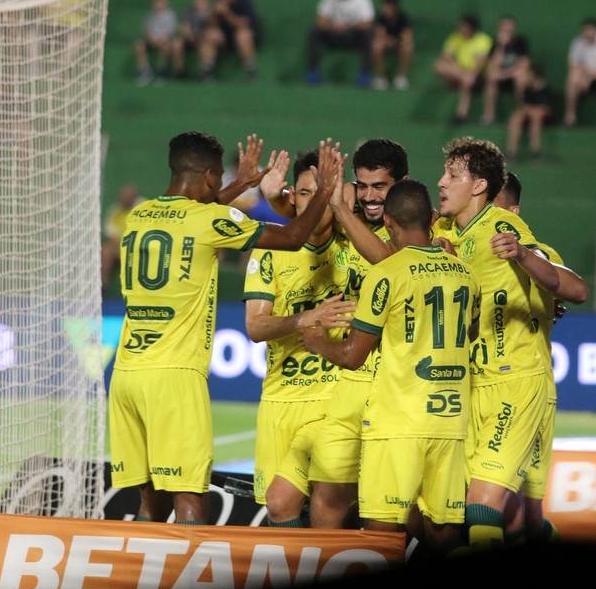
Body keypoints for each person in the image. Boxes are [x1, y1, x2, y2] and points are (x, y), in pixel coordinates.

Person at [107, 131, 340, 525]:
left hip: (127, 374)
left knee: (151, 502)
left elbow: (191, 217)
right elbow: (294, 236)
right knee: (190, 500)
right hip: (174, 378)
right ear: (212, 175)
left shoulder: (137, 216)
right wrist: (325, 191)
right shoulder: (209, 219)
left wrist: (240, 186)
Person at [300, 179, 482, 556]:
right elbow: (473, 331)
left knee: (381, 532)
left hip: (399, 423)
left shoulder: (387, 272)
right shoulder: (465, 272)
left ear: (387, 220)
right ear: (430, 219)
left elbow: (353, 356)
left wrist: (319, 342)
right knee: (443, 531)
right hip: (449, 422)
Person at [260, 138, 410, 530]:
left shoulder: (409, 227)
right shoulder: (344, 223)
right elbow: (312, 215)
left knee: (391, 518)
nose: (370, 195)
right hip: (335, 392)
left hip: (380, 393)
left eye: (381, 186)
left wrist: (336, 201)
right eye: (363, 186)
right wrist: (278, 199)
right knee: (285, 503)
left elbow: (392, 263)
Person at [431, 136, 563, 550]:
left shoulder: (504, 227)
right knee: (509, 517)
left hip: (517, 383)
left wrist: (525, 257)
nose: (440, 182)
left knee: (483, 507)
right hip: (470, 389)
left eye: (452, 175)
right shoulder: (446, 231)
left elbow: (572, 286)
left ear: (478, 186)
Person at [243, 149, 355, 528]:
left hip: (333, 400)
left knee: (316, 504)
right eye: (306, 193)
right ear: (294, 197)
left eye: (325, 191)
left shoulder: (357, 246)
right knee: (280, 510)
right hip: (280, 398)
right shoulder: (271, 251)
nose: (317, 201)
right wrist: (306, 318)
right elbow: (256, 328)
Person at [493, 172, 588, 545]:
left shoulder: (538, 253)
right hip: (473, 386)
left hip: (524, 388)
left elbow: (571, 286)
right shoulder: (458, 239)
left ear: (514, 212)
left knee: (524, 515)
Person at [306, 0, 375, 88]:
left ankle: (364, 74)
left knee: (367, 35)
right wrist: (334, 27)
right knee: (315, 33)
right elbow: (320, 20)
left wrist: (348, 28)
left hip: (353, 36)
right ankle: (313, 72)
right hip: (334, 34)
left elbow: (367, 23)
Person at [198, 0, 261, 82]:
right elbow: (211, 24)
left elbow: (243, 24)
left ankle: (251, 72)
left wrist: (227, 13)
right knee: (209, 34)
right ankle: (206, 72)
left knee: (243, 35)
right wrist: (213, 14)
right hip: (225, 38)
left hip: (242, 38)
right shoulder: (219, 1)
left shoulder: (245, 2)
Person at [433, 14, 493, 125]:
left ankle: (461, 113)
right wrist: (457, 68)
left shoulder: (483, 39)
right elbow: (445, 55)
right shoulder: (455, 37)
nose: (460, 28)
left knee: (466, 81)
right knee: (439, 65)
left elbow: (480, 62)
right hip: (459, 72)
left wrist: (471, 74)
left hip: (478, 75)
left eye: (463, 26)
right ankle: (457, 81)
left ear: (472, 28)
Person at [480, 15, 531, 126]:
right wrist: (501, 46)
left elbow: (524, 64)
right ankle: (488, 115)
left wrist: (508, 73)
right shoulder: (495, 43)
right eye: (504, 29)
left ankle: (521, 113)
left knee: (521, 77)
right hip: (501, 76)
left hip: (514, 75)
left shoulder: (521, 42)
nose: (507, 32)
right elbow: (493, 65)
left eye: (510, 29)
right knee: (491, 78)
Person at [101, 184, 146, 296]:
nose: (123, 199)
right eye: (122, 196)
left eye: (127, 196)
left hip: (140, 246)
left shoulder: (144, 209)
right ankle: (103, 289)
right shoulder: (115, 211)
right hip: (120, 247)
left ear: (134, 197)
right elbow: (110, 235)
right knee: (105, 252)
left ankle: (139, 290)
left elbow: (147, 231)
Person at [505, 62, 552, 161]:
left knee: (536, 116)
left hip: (540, 117)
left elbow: (546, 109)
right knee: (516, 118)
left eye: (527, 73)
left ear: (533, 74)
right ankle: (511, 152)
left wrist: (533, 110)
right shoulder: (527, 89)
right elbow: (522, 106)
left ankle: (535, 150)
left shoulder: (545, 89)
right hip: (528, 114)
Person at [134, 0, 180, 86]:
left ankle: (161, 71)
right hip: (152, 40)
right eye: (156, 2)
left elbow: (171, 32)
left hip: (165, 41)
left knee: (166, 46)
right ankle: (145, 71)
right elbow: (147, 31)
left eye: (161, 2)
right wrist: (152, 39)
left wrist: (163, 40)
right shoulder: (149, 16)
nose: (158, 4)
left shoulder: (171, 15)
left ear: (166, 3)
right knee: (139, 45)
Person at [371, 0, 414, 92]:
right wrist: (388, 40)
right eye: (384, 6)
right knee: (376, 46)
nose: (384, 9)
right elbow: (379, 33)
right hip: (386, 42)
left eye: (387, 7)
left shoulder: (403, 17)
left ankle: (401, 78)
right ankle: (381, 78)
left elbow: (407, 35)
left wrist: (396, 41)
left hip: (399, 43)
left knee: (408, 46)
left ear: (394, 8)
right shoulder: (381, 17)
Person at [174, 0, 216, 81]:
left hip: (203, 38)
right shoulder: (189, 11)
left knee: (207, 43)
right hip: (189, 38)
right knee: (176, 43)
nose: (201, 1)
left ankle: (205, 72)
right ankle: (180, 72)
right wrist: (187, 34)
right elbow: (184, 26)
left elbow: (213, 27)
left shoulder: (212, 12)